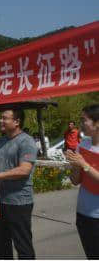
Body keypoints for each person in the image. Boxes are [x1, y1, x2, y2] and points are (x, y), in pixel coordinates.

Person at [0, 108, 37, 259]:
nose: (0, 121)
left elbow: (24, 170)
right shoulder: (0, 141)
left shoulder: (26, 141)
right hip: (0, 201)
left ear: (17, 122)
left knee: (22, 245)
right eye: (0, 117)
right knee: (1, 243)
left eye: (5, 118)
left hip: (19, 202)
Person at [66, 104, 99, 259]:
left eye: (84, 120)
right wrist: (75, 165)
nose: (81, 124)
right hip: (83, 214)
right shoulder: (83, 144)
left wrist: (84, 165)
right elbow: (75, 181)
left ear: (97, 123)